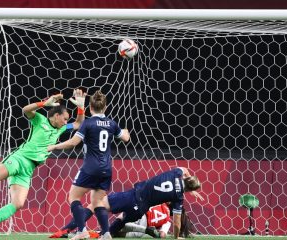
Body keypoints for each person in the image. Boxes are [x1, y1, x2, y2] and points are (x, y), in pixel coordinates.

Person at [0, 89, 86, 236]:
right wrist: (44, 103)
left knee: (18, 203)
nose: (66, 121)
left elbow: (78, 124)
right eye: (65, 118)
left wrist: (81, 106)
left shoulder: (60, 129)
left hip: (28, 169)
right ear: (56, 115)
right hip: (18, 159)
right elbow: (26, 110)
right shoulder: (40, 120)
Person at [47, 90, 130, 240]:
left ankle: (82, 231)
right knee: (97, 201)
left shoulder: (89, 123)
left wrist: (54, 147)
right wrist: (126, 132)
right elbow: (125, 138)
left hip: (90, 167)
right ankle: (105, 234)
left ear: (91, 107)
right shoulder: (112, 123)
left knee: (73, 197)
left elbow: (73, 142)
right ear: (105, 107)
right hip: (106, 169)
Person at [50, 167, 203, 239]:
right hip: (141, 209)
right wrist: (176, 238)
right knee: (121, 222)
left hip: (133, 196)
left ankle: (67, 230)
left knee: (95, 204)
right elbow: (176, 221)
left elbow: (183, 169)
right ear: (189, 189)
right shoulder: (178, 198)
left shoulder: (176, 174)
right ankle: (103, 234)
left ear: (186, 179)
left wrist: (188, 179)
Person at [50, 203, 171, 239]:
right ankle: (146, 230)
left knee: (113, 230)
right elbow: (162, 235)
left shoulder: (158, 201)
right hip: (141, 230)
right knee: (113, 233)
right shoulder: (168, 219)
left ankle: (72, 233)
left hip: (139, 214)